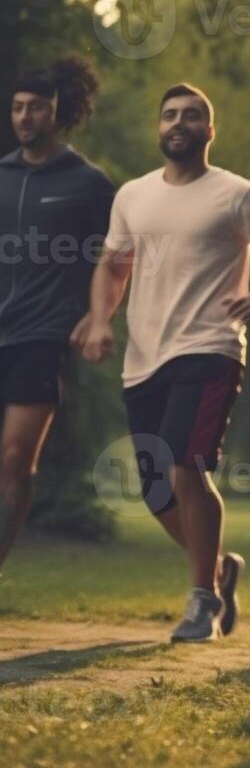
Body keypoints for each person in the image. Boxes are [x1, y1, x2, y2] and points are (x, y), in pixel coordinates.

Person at [77, 83, 250, 642]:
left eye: (192, 115)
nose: (179, 122)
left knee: (185, 467)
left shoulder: (236, 193)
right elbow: (112, 264)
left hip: (211, 347)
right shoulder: (132, 195)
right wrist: (102, 320)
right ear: (160, 128)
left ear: (209, 129)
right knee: (157, 490)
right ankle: (221, 568)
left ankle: (200, 600)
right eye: (170, 114)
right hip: (144, 358)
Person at [0, 56, 114, 571]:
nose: (25, 117)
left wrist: (98, 317)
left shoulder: (88, 183)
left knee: (15, 461)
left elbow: (117, 257)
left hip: (41, 336)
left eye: (36, 108)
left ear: (58, 111)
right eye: (18, 108)